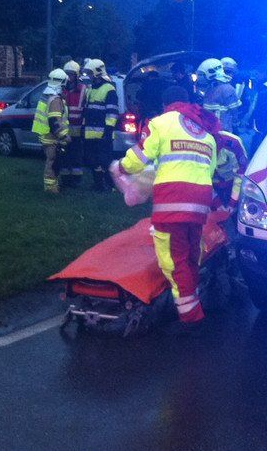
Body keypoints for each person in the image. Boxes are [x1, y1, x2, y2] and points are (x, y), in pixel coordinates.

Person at [114, 85, 243, 327]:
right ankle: (192, 299)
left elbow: (137, 160)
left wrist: (119, 167)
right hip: (200, 203)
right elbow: (208, 170)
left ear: (166, 105)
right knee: (191, 255)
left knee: (173, 261)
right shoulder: (205, 132)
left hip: (172, 201)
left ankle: (191, 319)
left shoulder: (160, 123)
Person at [82, 58, 119, 191]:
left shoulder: (109, 89)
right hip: (90, 133)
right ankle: (98, 184)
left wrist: (108, 131)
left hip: (104, 133)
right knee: (92, 161)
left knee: (105, 161)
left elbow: (112, 112)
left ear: (97, 73)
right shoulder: (91, 89)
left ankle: (111, 185)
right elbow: (87, 111)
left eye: (90, 73)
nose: (89, 76)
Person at [33, 68, 70, 194]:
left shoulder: (47, 96)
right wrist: (64, 136)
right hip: (52, 138)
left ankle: (53, 185)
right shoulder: (55, 100)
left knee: (52, 162)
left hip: (47, 136)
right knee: (52, 163)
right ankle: (51, 189)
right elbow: (54, 121)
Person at [60, 60, 86, 189]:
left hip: (78, 129)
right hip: (64, 129)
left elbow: (85, 109)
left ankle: (76, 180)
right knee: (64, 154)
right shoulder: (62, 89)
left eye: (71, 74)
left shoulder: (83, 89)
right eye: (67, 74)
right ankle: (65, 179)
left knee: (76, 155)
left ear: (76, 75)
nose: (69, 77)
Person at [197, 58, 242, 132]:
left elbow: (234, 110)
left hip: (221, 129)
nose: (200, 77)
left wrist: (235, 123)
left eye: (202, 75)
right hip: (210, 127)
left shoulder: (227, 88)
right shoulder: (211, 88)